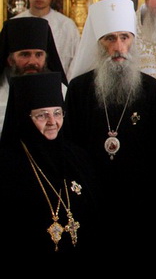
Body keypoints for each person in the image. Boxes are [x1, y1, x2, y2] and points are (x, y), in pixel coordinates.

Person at [65, 0, 156, 274]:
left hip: (140, 205)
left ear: (133, 40)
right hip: (93, 202)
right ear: (98, 43)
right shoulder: (79, 90)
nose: (119, 47)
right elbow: (70, 148)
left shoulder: (151, 89)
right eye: (110, 38)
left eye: (125, 37)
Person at [0, 72, 101, 269]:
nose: (52, 122)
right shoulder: (7, 166)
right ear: (24, 117)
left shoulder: (78, 158)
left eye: (57, 113)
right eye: (42, 115)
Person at [0, 17, 66, 136]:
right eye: (25, 55)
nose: (33, 62)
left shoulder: (62, 91)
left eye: (39, 55)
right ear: (10, 60)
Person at [14, 0, 80, 76]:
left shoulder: (67, 25)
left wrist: (66, 84)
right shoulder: (15, 24)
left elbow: (76, 59)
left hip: (59, 82)